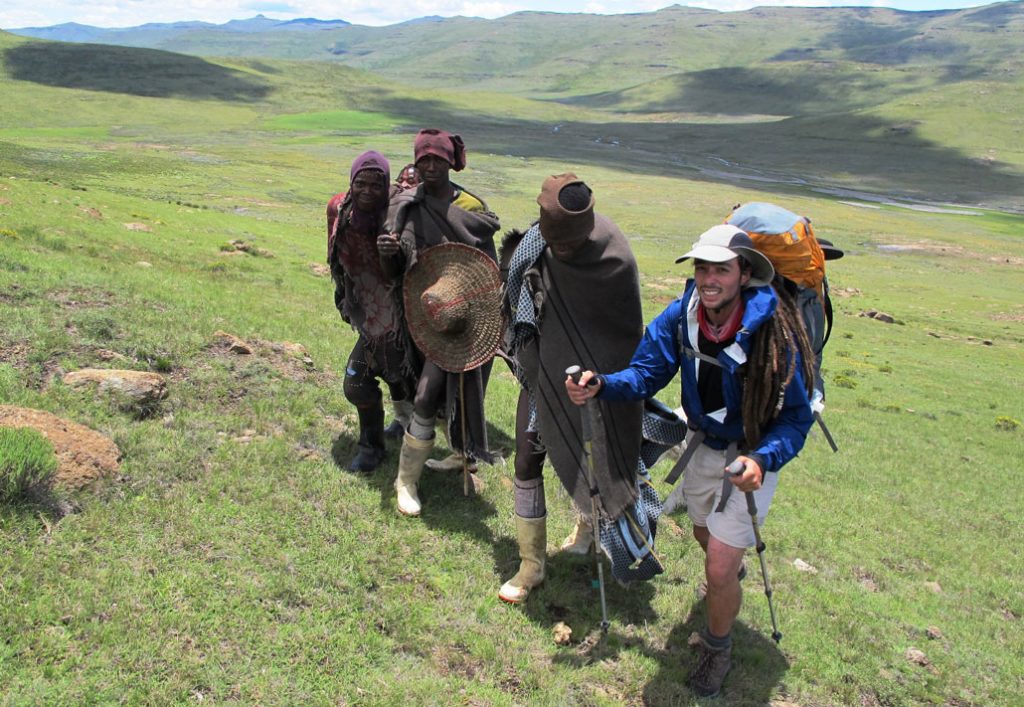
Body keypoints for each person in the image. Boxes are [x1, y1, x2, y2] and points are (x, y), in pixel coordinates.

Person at [566, 224, 815, 698]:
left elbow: (796, 418)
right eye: (702, 267)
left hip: (750, 458)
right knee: (704, 534)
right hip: (705, 446)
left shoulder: (772, 334)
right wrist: (602, 384)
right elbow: (646, 373)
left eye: (720, 268)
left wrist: (762, 461)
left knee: (718, 567)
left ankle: (718, 648)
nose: (708, 278)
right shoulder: (683, 316)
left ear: (744, 274)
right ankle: (727, 576)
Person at [498, 173, 656, 604]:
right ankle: (531, 565)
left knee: (597, 462)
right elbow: (516, 299)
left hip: (597, 384)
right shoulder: (534, 245)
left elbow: (622, 335)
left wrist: (598, 382)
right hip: (545, 374)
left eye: (569, 244)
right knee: (527, 459)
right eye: (556, 243)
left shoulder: (615, 259)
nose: (561, 250)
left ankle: (588, 530)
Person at [378, 128, 500, 517]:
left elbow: (486, 267)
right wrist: (390, 252)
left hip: (464, 316)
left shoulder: (472, 209)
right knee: (428, 393)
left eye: (437, 159)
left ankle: (441, 464)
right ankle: (407, 479)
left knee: (449, 391)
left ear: (450, 162)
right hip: (423, 311)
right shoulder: (406, 207)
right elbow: (397, 270)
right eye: (422, 159)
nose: (429, 166)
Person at [326, 151, 419, 473]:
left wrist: (391, 254)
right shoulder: (339, 210)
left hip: (401, 316)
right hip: (367, 312)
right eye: (360, 183)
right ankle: (375, 443)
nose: (367, 191)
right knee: (363, 382)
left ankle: (394, 439)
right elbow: (337, 258)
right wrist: (346, 297)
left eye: (375, 185)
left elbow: (412, 268)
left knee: (395, 378)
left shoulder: (400, 214)